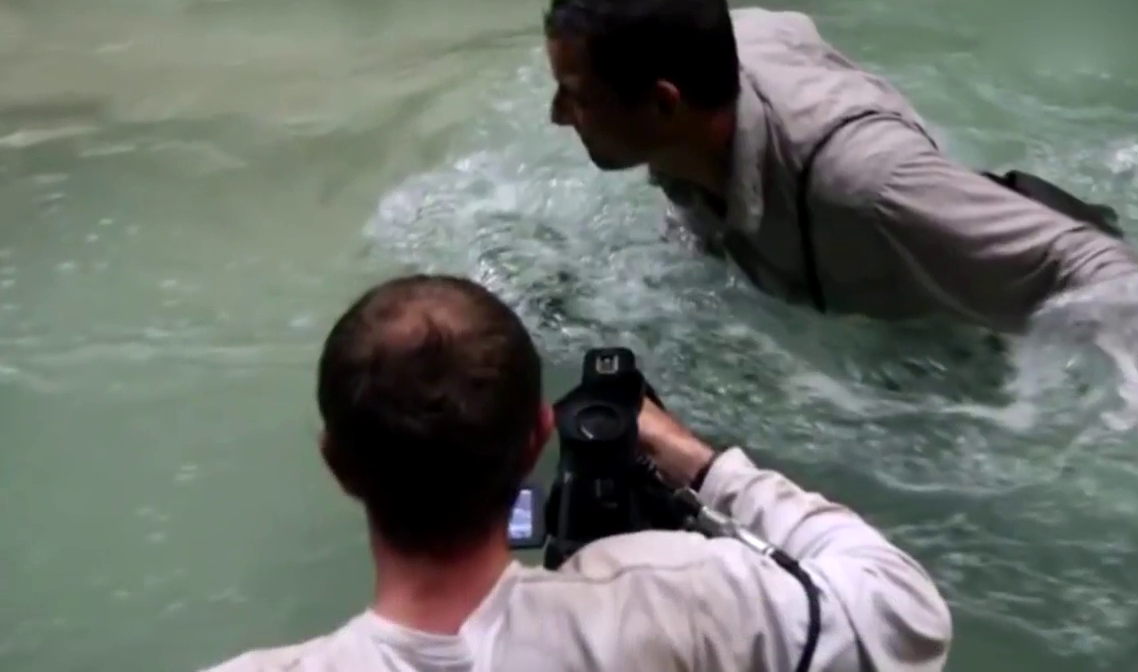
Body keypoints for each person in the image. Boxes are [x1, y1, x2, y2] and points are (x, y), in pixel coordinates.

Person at [198, 272, 953, 672]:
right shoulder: (674, 597)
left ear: (338, 464)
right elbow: (904, 613)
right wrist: (706, 465)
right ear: (537, 437)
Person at [543, 0, 1138, 334]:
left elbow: (1092, 266)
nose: (557, 116)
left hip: (968, 319)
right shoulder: (712, 62)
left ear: (664, 103)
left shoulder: (863, 183)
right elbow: (785, 28)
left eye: (576, 96)